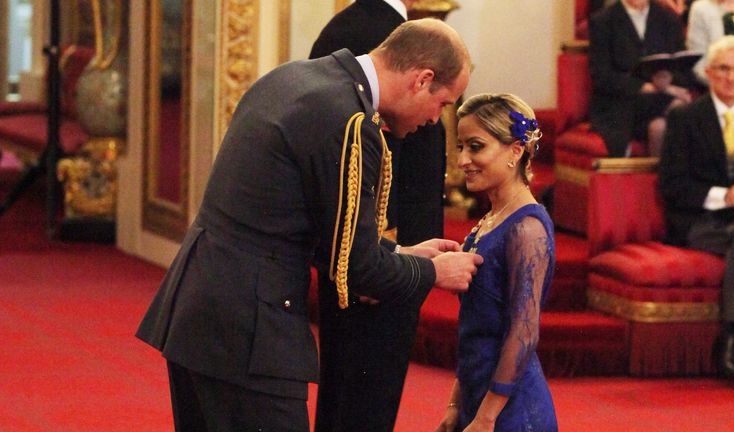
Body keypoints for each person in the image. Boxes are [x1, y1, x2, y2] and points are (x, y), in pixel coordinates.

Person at [135, 18, 483, 431]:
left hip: (198, 309)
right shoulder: (349, 121)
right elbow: (357, 270)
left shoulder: (295, 77)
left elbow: (294, 217)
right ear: (422, 80)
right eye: (443, 104)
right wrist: (433, 272)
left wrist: (400, 252)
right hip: (250, 331)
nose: (435, 120)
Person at [308, 1, 450, 430]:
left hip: (358, 252)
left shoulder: (344, 25)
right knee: (365, 401)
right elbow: (374, 162)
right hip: (381, 262)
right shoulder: (392, 35)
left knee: (343, 390)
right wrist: (389, 260)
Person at [436, 93, 558, 431]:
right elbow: (474, 329)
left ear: (516, 151)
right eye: (461, 147)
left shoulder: (527, 228)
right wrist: (456, 405)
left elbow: (523, 331)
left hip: (512, 411)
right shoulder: (489, 220)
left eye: (476, 147)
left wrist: (487, 416)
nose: (463, 160)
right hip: (478, 399)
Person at [659, 35, 734, 383]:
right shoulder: (685, 118)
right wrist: (724, 196)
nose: (731, 78)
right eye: (723, 69)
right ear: (708, 72)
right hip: (700, 221)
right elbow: (673, 185)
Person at [589, 0, 692, 156]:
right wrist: (649, 87)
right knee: (678, 108)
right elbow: (602, 76)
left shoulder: (668, 19)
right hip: (619, 102)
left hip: (660, 99)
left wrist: (669, 79)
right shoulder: (604, 20)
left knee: (661, 125)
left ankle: (673, 171)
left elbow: (682, 67)